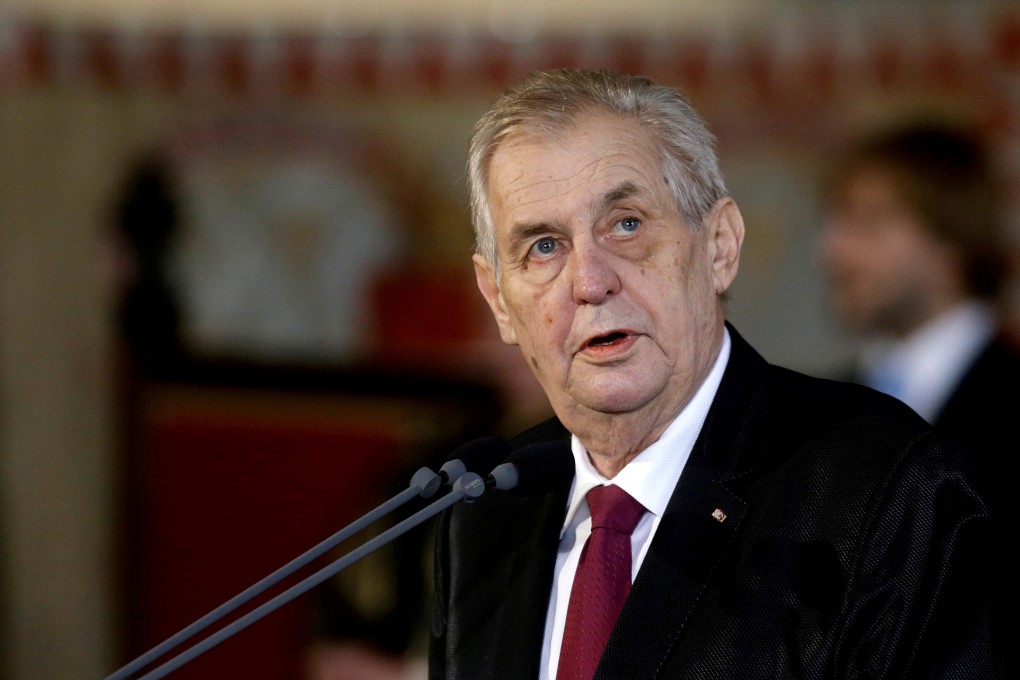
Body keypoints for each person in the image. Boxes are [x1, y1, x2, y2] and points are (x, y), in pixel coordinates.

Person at [428, 68, 998, 679]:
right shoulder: (488, 509)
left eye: (626, 224)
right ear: (497, 301)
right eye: (543, 246)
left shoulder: (891, 489)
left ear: (720, 246)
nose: (590, 282)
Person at [815, 121, 1020, 527]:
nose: (833, 250)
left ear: (950, 239)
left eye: (869, 223)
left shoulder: (1008, 402)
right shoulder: (822, 408)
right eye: (836, 222)